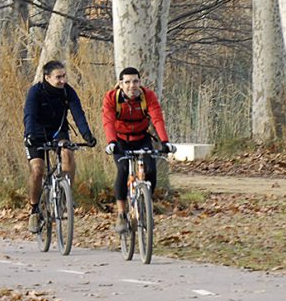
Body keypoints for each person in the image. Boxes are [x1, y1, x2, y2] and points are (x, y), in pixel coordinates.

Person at [23, 60, 96, 233]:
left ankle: (65, 194)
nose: (63, 80)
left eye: (64, 76)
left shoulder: (68, 92)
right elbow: (30, 115)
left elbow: (78, 113)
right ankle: (34, 210)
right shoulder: (36, 92)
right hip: (37, 133)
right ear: (47, 77)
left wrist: (87, 134)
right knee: (38, 170)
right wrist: (30, 135)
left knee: (67, 153)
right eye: (58, 77)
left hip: (58, 132)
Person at [102, 67, 175, 235]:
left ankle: (146, 205)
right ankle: (121, 214)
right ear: (120, 84)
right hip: (120, 141)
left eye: (135, 81)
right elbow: (108, 121)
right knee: (123, 170)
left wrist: (165, 142)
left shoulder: (147, 96)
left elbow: (157, 118)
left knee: (151, 170)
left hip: (142, 138)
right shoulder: (112, 98)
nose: (131, 86)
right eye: (127, 82)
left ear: (139, 82)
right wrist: (111, 142)